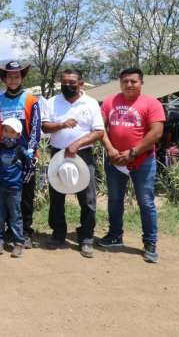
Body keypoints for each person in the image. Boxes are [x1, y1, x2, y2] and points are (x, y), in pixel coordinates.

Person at [99, 67, 165, 263]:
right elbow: (100, 127)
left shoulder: (152, 103)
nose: (129, 84)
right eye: (125, 81)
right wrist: (110, 149)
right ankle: (115, 235)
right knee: (114, 200)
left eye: (133, 81)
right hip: (115, 160)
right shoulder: (110, 101)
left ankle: (150, 243)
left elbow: (156, 133)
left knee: (146, 202)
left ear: (141, 83)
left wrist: (133, 152)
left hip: (142, 160)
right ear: (120, 82)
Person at [41, 69, 104, 258]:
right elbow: (44, 126)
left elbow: (99, 131)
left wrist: (77, 143)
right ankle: (58, 233)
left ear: (81, 84)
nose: (67, 86)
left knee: (88, 198)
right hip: (58, 153)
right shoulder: (52, 102)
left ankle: (86, 237)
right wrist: (61, 124)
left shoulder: (91, 103)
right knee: (57, 196)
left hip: (83, 154)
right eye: (64, 82)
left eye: (72, 82)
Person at [0, 61, 41, 247]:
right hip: (5, 158)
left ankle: (25, 231)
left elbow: (36, 127)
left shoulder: (31, 100)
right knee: (5, 196)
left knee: (25, 196)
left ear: (22, 78)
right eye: (9, 76)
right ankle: (8, 232)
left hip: (24, 156)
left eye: (17, 76)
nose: (13, 80)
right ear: (4, 79)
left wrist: (32, 152)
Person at [0, 118, 32, 258]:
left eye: (12, 132)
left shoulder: (21, 151)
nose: (8, 135)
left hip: (15, 189)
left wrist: (22, 181)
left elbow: (30, 167)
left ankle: (19, 243)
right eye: (6, 131)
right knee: (0, 215)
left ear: (18, 135)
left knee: (15, 215)